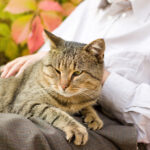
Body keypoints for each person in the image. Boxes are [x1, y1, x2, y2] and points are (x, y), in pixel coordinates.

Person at [1, 0, 150, 149]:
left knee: (7, 130)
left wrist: (102, 78)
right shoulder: (90, 5)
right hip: (48, 102)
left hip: (116, 125)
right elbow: (48, 57)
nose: (64, 85)